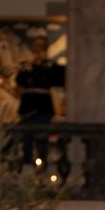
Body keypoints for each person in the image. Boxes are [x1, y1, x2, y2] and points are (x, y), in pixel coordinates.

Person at [16, 34, 65, 164]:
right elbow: (20, 80)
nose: (38, 48)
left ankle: (42, 162)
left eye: (41, 46)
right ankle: (26, 162)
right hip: (28, 105)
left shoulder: (50, 65)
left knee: (42, 136)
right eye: (36, 45)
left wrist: (43, 64)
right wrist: (28, 66)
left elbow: (58, 79)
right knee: (27, 136)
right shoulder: (27, 64)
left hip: (43, 106)